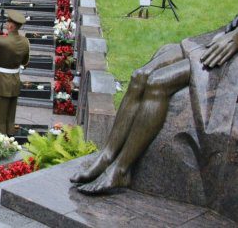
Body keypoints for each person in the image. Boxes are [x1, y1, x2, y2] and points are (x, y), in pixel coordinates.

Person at [72, 15, 238, 195]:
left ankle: (121, 169)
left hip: (233, 49)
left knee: (158, 83)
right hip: (225, 34)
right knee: (140, 76)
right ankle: (106, 156)